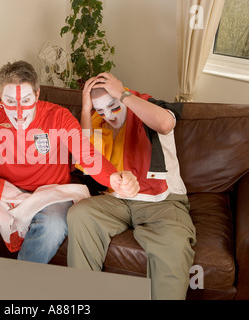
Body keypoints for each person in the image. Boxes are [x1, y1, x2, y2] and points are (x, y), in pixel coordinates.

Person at [0, 61, 137, 264]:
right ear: (1, 98)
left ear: (37, 94)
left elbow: (87, 155)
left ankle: (19, 291)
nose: (19, 111)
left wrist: (113, 178)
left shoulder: (59, 116)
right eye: (10, 102)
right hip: (7, 189)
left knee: (52, 227)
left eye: (25, 100)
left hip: (53, 192)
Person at [67, 72, 197, 299]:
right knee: (80, 213)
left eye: (113, 106)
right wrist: (86, 110)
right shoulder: (97, 121)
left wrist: (124, 95)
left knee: (174, 245)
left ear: (122, 94)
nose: (109, 116)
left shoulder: (149, 106)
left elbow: (165, 124)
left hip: (162, 200)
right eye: (100, 111)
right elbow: (86, 160)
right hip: (117, 200)